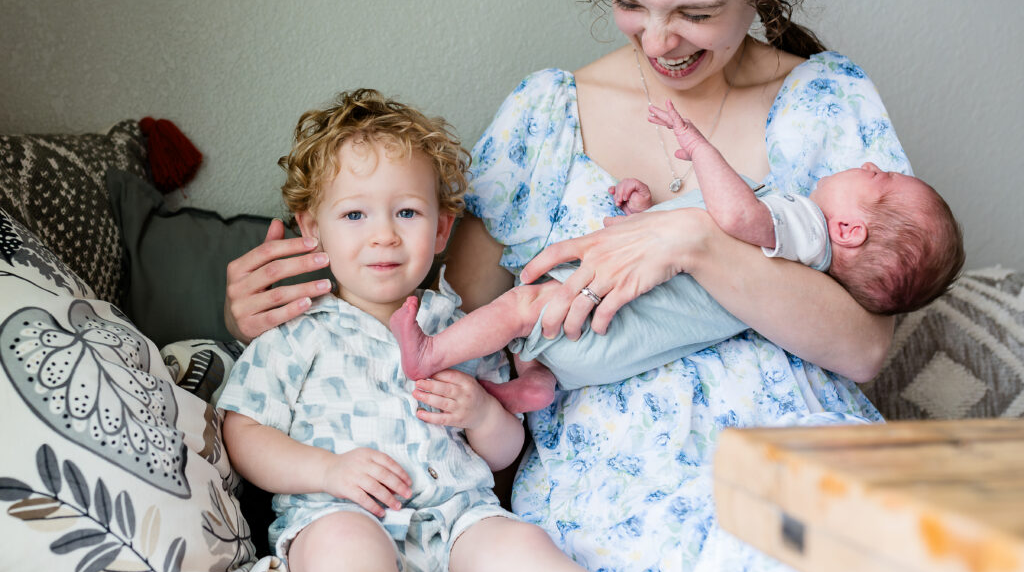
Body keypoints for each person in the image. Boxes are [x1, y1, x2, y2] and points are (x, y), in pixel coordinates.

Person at [224, 0, 932, 572]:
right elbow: (457, 313)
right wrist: (280, 314)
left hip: (789, 450)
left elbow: (865, 347)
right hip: (612, 482)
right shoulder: (547, 117)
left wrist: (695, 241)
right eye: (630, 3)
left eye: (697, 12)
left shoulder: (825, 102)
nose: (658, 41)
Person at [217, 89, 639, 572]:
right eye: (354, 215)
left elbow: (506, 450)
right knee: (346, 552)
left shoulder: (464, 330)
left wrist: (483, 413)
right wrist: (327, 472)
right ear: (311, 229)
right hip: (339, 516)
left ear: (441, 229)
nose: (384, 236)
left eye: (408, 212)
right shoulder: (297, 333)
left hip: (458, 525)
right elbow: (243, 432)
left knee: (527, 548)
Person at [388, 98, 964, 409]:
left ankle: (432, 353)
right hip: (617, 347)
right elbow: (682, 255)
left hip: (602, 325)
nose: (869, 164)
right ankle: (532, 383)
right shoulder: (797, 248)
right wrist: (645, 214)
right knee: (539, 331)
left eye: (878, 179)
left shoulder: (804, 229)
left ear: (850, 232)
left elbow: (730, 220)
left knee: (522, 308)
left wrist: (698, 146)